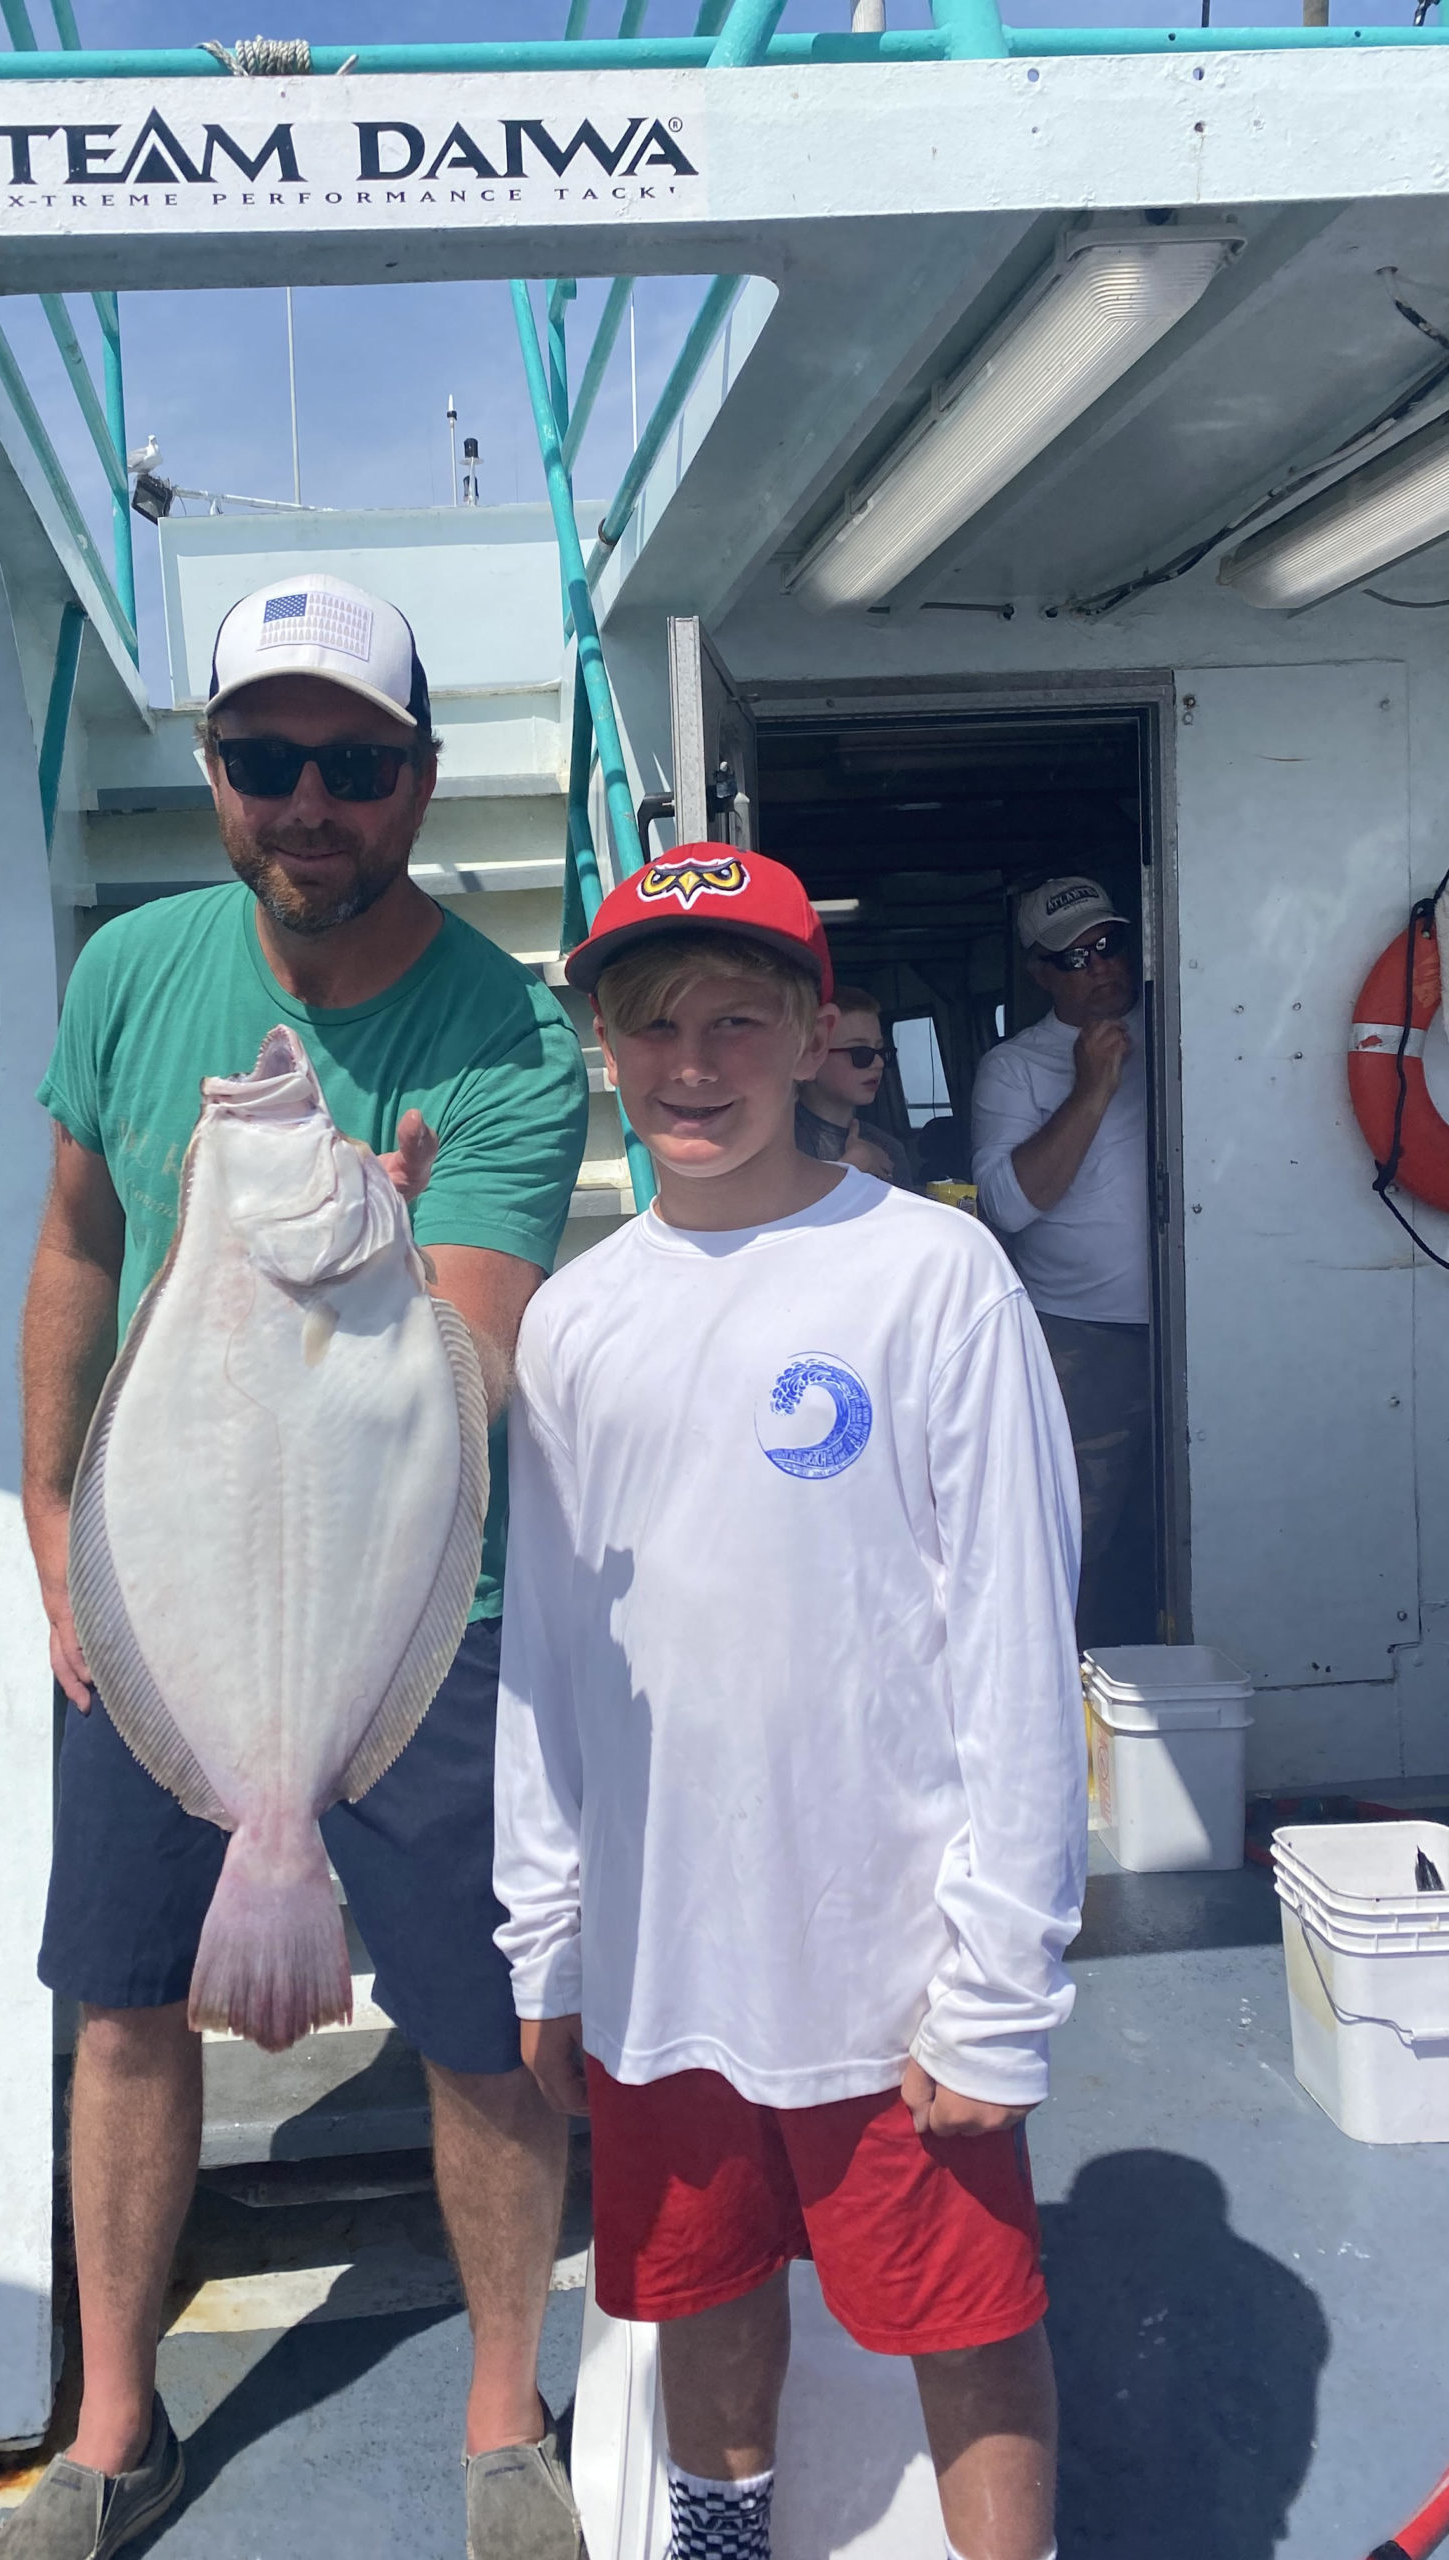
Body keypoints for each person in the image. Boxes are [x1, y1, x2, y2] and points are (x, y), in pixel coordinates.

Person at [0, 575, 589, 2560]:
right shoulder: (130, 972)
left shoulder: (506, 1030)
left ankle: (502, 2409)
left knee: (479, 2028)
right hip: (166, 1595)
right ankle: (112, 2426)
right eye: (264, 758)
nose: (307, 803)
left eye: (353, 764)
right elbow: (77, 1244)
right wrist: (50, 1516)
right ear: (213, 770)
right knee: (119, 2003)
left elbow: (477, 1374)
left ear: (419, 777)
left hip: (419, 1613)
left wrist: (383, 1276)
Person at [496, 848, 1086, 2560]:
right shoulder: (574, 1322)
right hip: (661, 1959)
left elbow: (1011, 1643)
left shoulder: (932, 1275)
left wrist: (998, 1985)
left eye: (737, 1022)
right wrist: (547, 1941)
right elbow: (547, 1658)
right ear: (607, 1046)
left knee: (968, 2314)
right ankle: (723, 2536)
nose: (693, 1066)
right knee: (697, 2282)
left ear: (815, 1031)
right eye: (652, 1024)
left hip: (893, 1962)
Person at [970, 878, 1154, 1646]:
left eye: (1110, 944)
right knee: (1077, 1537)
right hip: (1080, 1338)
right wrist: (1091, 1089)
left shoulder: (1185, 1023)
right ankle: (1066, 1693)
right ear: (1041, 973)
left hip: (1210, 1320)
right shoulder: (1014, 1068)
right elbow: (1008, 1207)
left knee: (1199, 1523)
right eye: (1076, 957)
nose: (1101, 965)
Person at [795, 984, 918, 1187]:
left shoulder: (888, 1149)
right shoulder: (778, 1145)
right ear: (811, 1057)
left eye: (881, 1051)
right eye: (860, 1053)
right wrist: (852, 1168)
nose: (878, 1063)